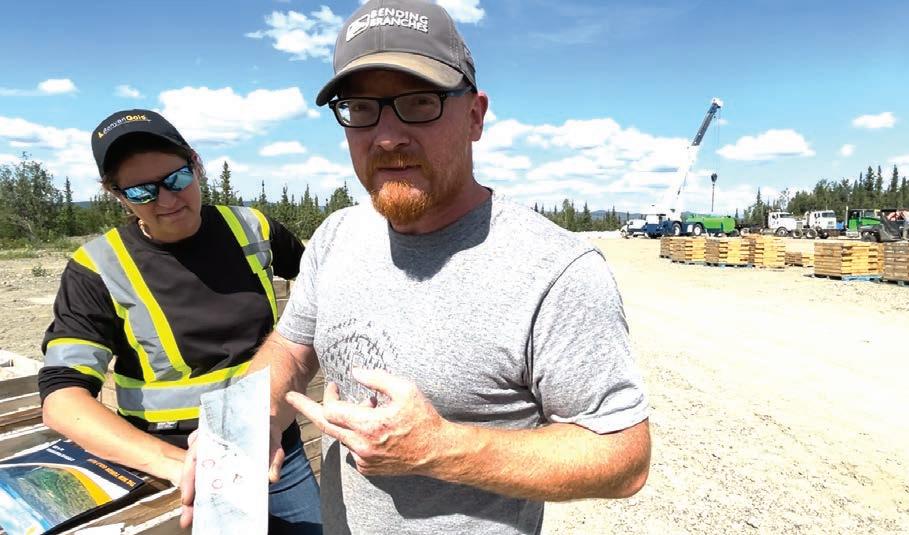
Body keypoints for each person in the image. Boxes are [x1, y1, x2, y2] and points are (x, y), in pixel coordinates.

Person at [179, 0, 651, 532]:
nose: (387, 136)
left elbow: (624, 457)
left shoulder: (556, 270)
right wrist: (246, 423)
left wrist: (441, 449)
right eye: (361, 108)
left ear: (475, 116)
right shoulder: (338, 235)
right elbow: (292, 348)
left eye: (420, 102)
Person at [38, 109, 322, 534]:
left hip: (272, 442)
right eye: (141, 192)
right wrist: (183, 465)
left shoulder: (253, 228)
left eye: (176, 179)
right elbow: (63, 400)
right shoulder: (97, 268)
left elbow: (324, 292)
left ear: (196, 165)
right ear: (116, 195)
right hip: (169, 461)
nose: (167, 201)